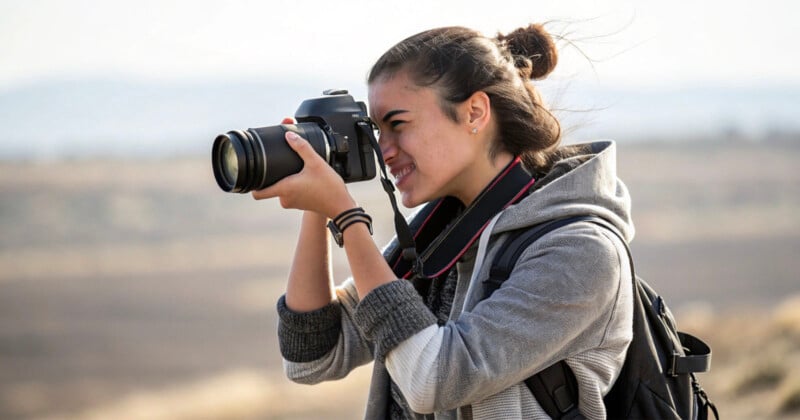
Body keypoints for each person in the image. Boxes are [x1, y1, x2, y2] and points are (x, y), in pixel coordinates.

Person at [253, 23, 634, 420]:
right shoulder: (439, 239)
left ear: (474, 112)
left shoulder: (580, 250)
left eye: (398, 125)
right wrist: (317, 193)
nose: (385, 150)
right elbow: (312, 356)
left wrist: (347, 216)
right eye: (376, 131)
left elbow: (431, 380)